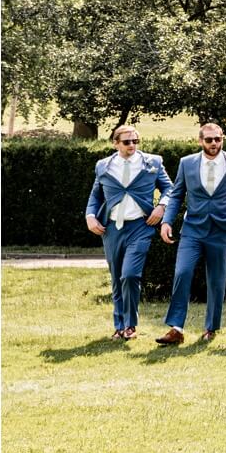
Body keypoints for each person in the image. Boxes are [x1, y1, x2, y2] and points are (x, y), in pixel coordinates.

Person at [157, 123, 226, 345]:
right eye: (209, 140)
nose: (214, 144)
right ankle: (176, 329)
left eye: (218, 139)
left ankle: (211, 327)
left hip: (222, 228)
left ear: (222, 140)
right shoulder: (187, 163)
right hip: (193, 228)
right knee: (182, 272)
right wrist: (167, 221)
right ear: (201, 141)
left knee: (217, 280)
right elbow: (177, 194)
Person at [84, 125, 171, 340]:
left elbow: (170, 188)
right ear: (115, 143)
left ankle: (130, 325)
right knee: (116, 278)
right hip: (112, 228)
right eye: (126, 142)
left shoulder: (153, 162)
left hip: (141, 226)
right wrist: (90, 216)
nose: (132, 145)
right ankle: (119, 325)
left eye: (135, 141)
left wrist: (161, 206)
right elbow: (96, 196)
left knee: (130, 275)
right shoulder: (103, 166)